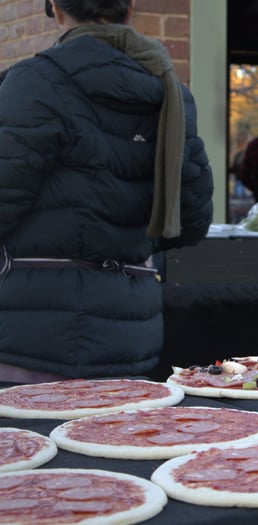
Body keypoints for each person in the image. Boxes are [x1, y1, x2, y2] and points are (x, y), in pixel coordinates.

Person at [0, 0, 214, 382]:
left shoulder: (34, 81)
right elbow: (191, 220)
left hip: (33, 340)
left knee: (31, 442)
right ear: (130, 10)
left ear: (57, 10)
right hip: (131, 334)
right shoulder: (171, 92)